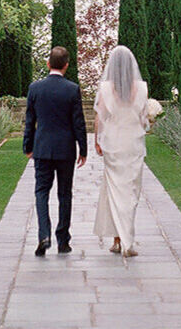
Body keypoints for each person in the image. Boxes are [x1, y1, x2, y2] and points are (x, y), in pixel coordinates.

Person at [23, 45, 87, 256]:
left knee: (41, 191)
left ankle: (43, 234)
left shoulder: (35, 88)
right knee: (64, 194)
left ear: (48, 63)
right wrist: (83, 149)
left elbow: (30, 121)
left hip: (42, 148)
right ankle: (63, 240)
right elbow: (78, 122)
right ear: (66, 66)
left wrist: (27, 146)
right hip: (65, 150)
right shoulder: (72, 89)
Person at [93, 44, 149, 257]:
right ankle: (126, 241)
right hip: (133, 145)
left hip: (113, 145)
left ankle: (119, 240)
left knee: (114, 191)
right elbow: (143, 120)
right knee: (131, 192)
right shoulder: (142, 88)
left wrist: (97, 141)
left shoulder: (106, 88)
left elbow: (101, 116)